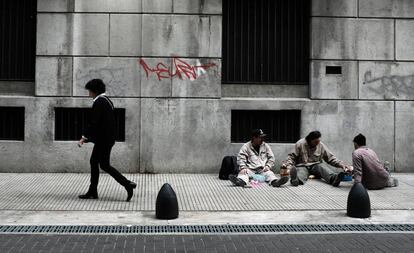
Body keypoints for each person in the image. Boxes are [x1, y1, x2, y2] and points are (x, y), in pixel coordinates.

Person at [78, 79, 137, 201]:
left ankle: (127, 184)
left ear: (94, 91)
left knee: (104, 165)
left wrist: (84, 137)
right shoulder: (107, 101)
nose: (88, 93)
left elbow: (94, 122)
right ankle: (93, 191)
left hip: (103, 140)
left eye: (89, 91)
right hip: (106, 139)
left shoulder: (99, 102)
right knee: (95, 162)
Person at [283, 131, 351, 187]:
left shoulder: (320, 145)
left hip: (316, 165)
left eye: (318, 141)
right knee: (301, 173)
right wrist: (289, 166)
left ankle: (334, 179)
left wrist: (342, 165)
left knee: (322, 167)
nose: (317, 143)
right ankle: (295, 180)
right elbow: (291, 157)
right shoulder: (300, 144)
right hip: (302, 165)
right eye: (315, 142)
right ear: (310, 140)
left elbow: (330, 158)